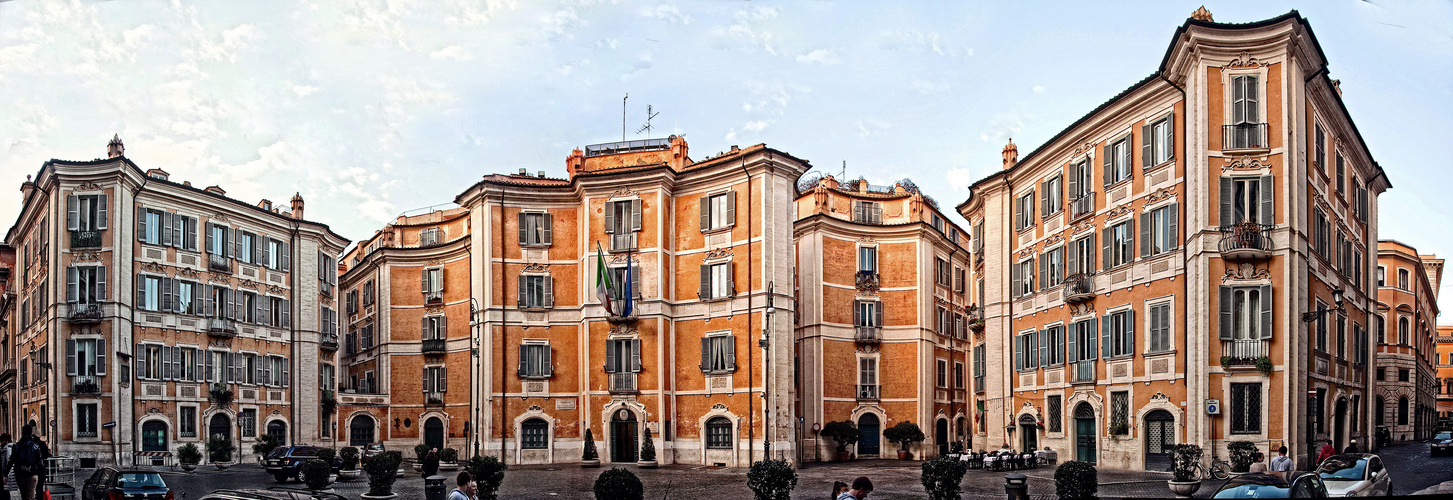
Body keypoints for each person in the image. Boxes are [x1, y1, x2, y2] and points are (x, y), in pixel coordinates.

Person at [4, 425, 48, 500]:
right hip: (32, 474)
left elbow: (11, 460)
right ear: (31, 433)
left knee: (23, 496)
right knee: (30, 497)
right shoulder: (35, 446)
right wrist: (44, 475)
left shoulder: (17, 446)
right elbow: (40, 462)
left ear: (22, 433)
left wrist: (5, 474)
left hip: (20, 474)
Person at [0, 433, 11, 500]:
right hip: (4, 474)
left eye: (2, 440)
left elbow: (8, 462)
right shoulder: (4, 449)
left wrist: (6, 474)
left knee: (5, 492)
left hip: (5, 474)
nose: (1, 442)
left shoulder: (8, 449)